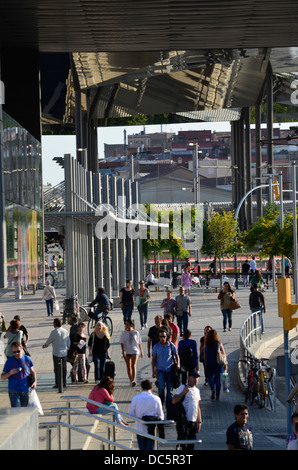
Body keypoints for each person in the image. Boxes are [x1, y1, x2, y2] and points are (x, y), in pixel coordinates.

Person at [129, 379, 164, 451]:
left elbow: (131, 414)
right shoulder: (156, 399)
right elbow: (161, 416)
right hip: (152, 429)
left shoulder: (136, 398)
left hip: (139, 428)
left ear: (142, 388)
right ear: (151, 388)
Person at [172, 370, 202, 450]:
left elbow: (197, 406)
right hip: (183, 422)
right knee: (183, 444)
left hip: (192, 422)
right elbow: (174, 400)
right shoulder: (183, 387)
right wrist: (184, 392)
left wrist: (199, 422)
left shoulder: (197, 390)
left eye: (197, 377)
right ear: (189, 377)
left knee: (191, 445)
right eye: (194, 377)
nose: (196, 379)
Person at [1, 341, 36, 407]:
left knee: (24, 412)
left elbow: (33, 372)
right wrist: (10, 373)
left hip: (25, 389)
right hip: (13, 390)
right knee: (16, 412)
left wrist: (34, 382)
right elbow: (2, 377)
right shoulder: (9, 361)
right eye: (14, 352)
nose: (16, 353)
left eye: (18, 351)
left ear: (22, 349)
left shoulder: (27, 359)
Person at [152, 328, 180, 409]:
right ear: (158, 337)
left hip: (170, 370)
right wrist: (153, 370)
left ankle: (169, 408)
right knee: (161, 388)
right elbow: (154, 359)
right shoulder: (156, 347)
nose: (162, 338)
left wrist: (178, 364)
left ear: (166, 336)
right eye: (161, 337)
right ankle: (160, 405)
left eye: (164, 336)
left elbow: (176, 355)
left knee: (170, 391)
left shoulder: (171, 345)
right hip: (160, 371)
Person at [42, 318, 70, 388]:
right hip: (64, 353)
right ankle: (64, 383)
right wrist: (68, 348)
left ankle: (58, 383)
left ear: (55, 324)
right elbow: (68, 341)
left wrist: (45, 345)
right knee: (64, 368)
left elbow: (49, 340)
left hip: (56, 353)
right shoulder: (65, 331)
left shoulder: (54, 332)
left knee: (57, 369)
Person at [204, 329, 226, 400]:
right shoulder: (218, 344)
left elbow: (204, 355)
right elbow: (223, 354)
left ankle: (212, 388)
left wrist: (205, 363)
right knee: (217, 379)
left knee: (210, 377)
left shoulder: (206, 344)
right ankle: (218, 395)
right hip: (218, 363)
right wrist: (225, 364)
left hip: (209, 363)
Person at [120, 319, 143, 386]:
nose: (126, 325)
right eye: (125, 324)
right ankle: (130, 380)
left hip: (135, 350)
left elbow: (139, 342)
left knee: (133, 365)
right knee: (128, 366)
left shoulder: (136, 332)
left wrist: (141, 351)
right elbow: (122, 342)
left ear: (131, 325)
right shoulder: (123, 333)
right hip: (127, 351)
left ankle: (133, 380)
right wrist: (123, 351)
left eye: (127, 324)